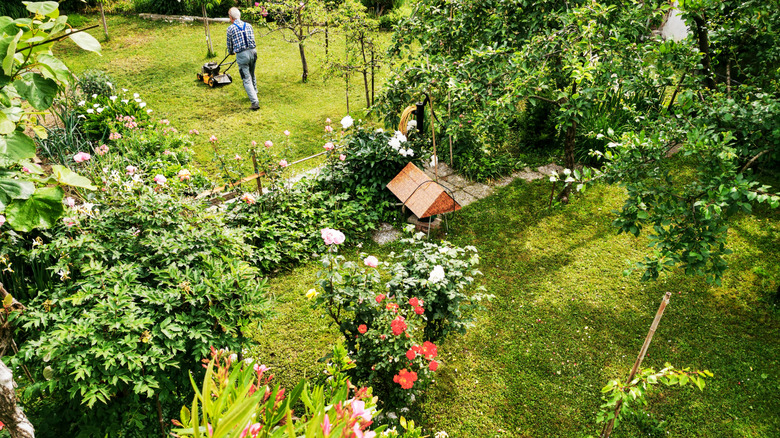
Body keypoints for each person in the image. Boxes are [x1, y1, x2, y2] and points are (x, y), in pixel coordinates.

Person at [227, 7, 259, 111]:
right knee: (252, 73)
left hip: (242, 55)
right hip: (253, 52)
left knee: (246, 78)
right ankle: (254, 92)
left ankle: (255, 102)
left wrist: (231, 52)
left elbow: (230, 44)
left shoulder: (230, 29)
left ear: (231, 17)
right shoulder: (249, 25)